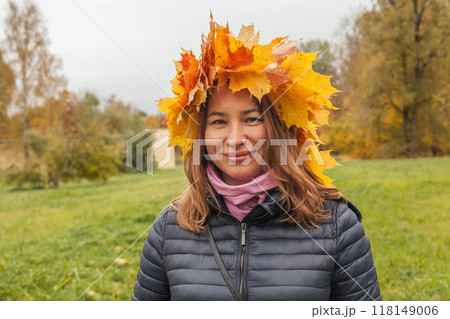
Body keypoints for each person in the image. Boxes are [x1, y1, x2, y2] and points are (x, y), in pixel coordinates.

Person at [131, 17, 381, 301]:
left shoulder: (336, 226)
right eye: (219, 121)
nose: (235, 138)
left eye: (251, 119)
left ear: (277, 127)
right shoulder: (169, 231)